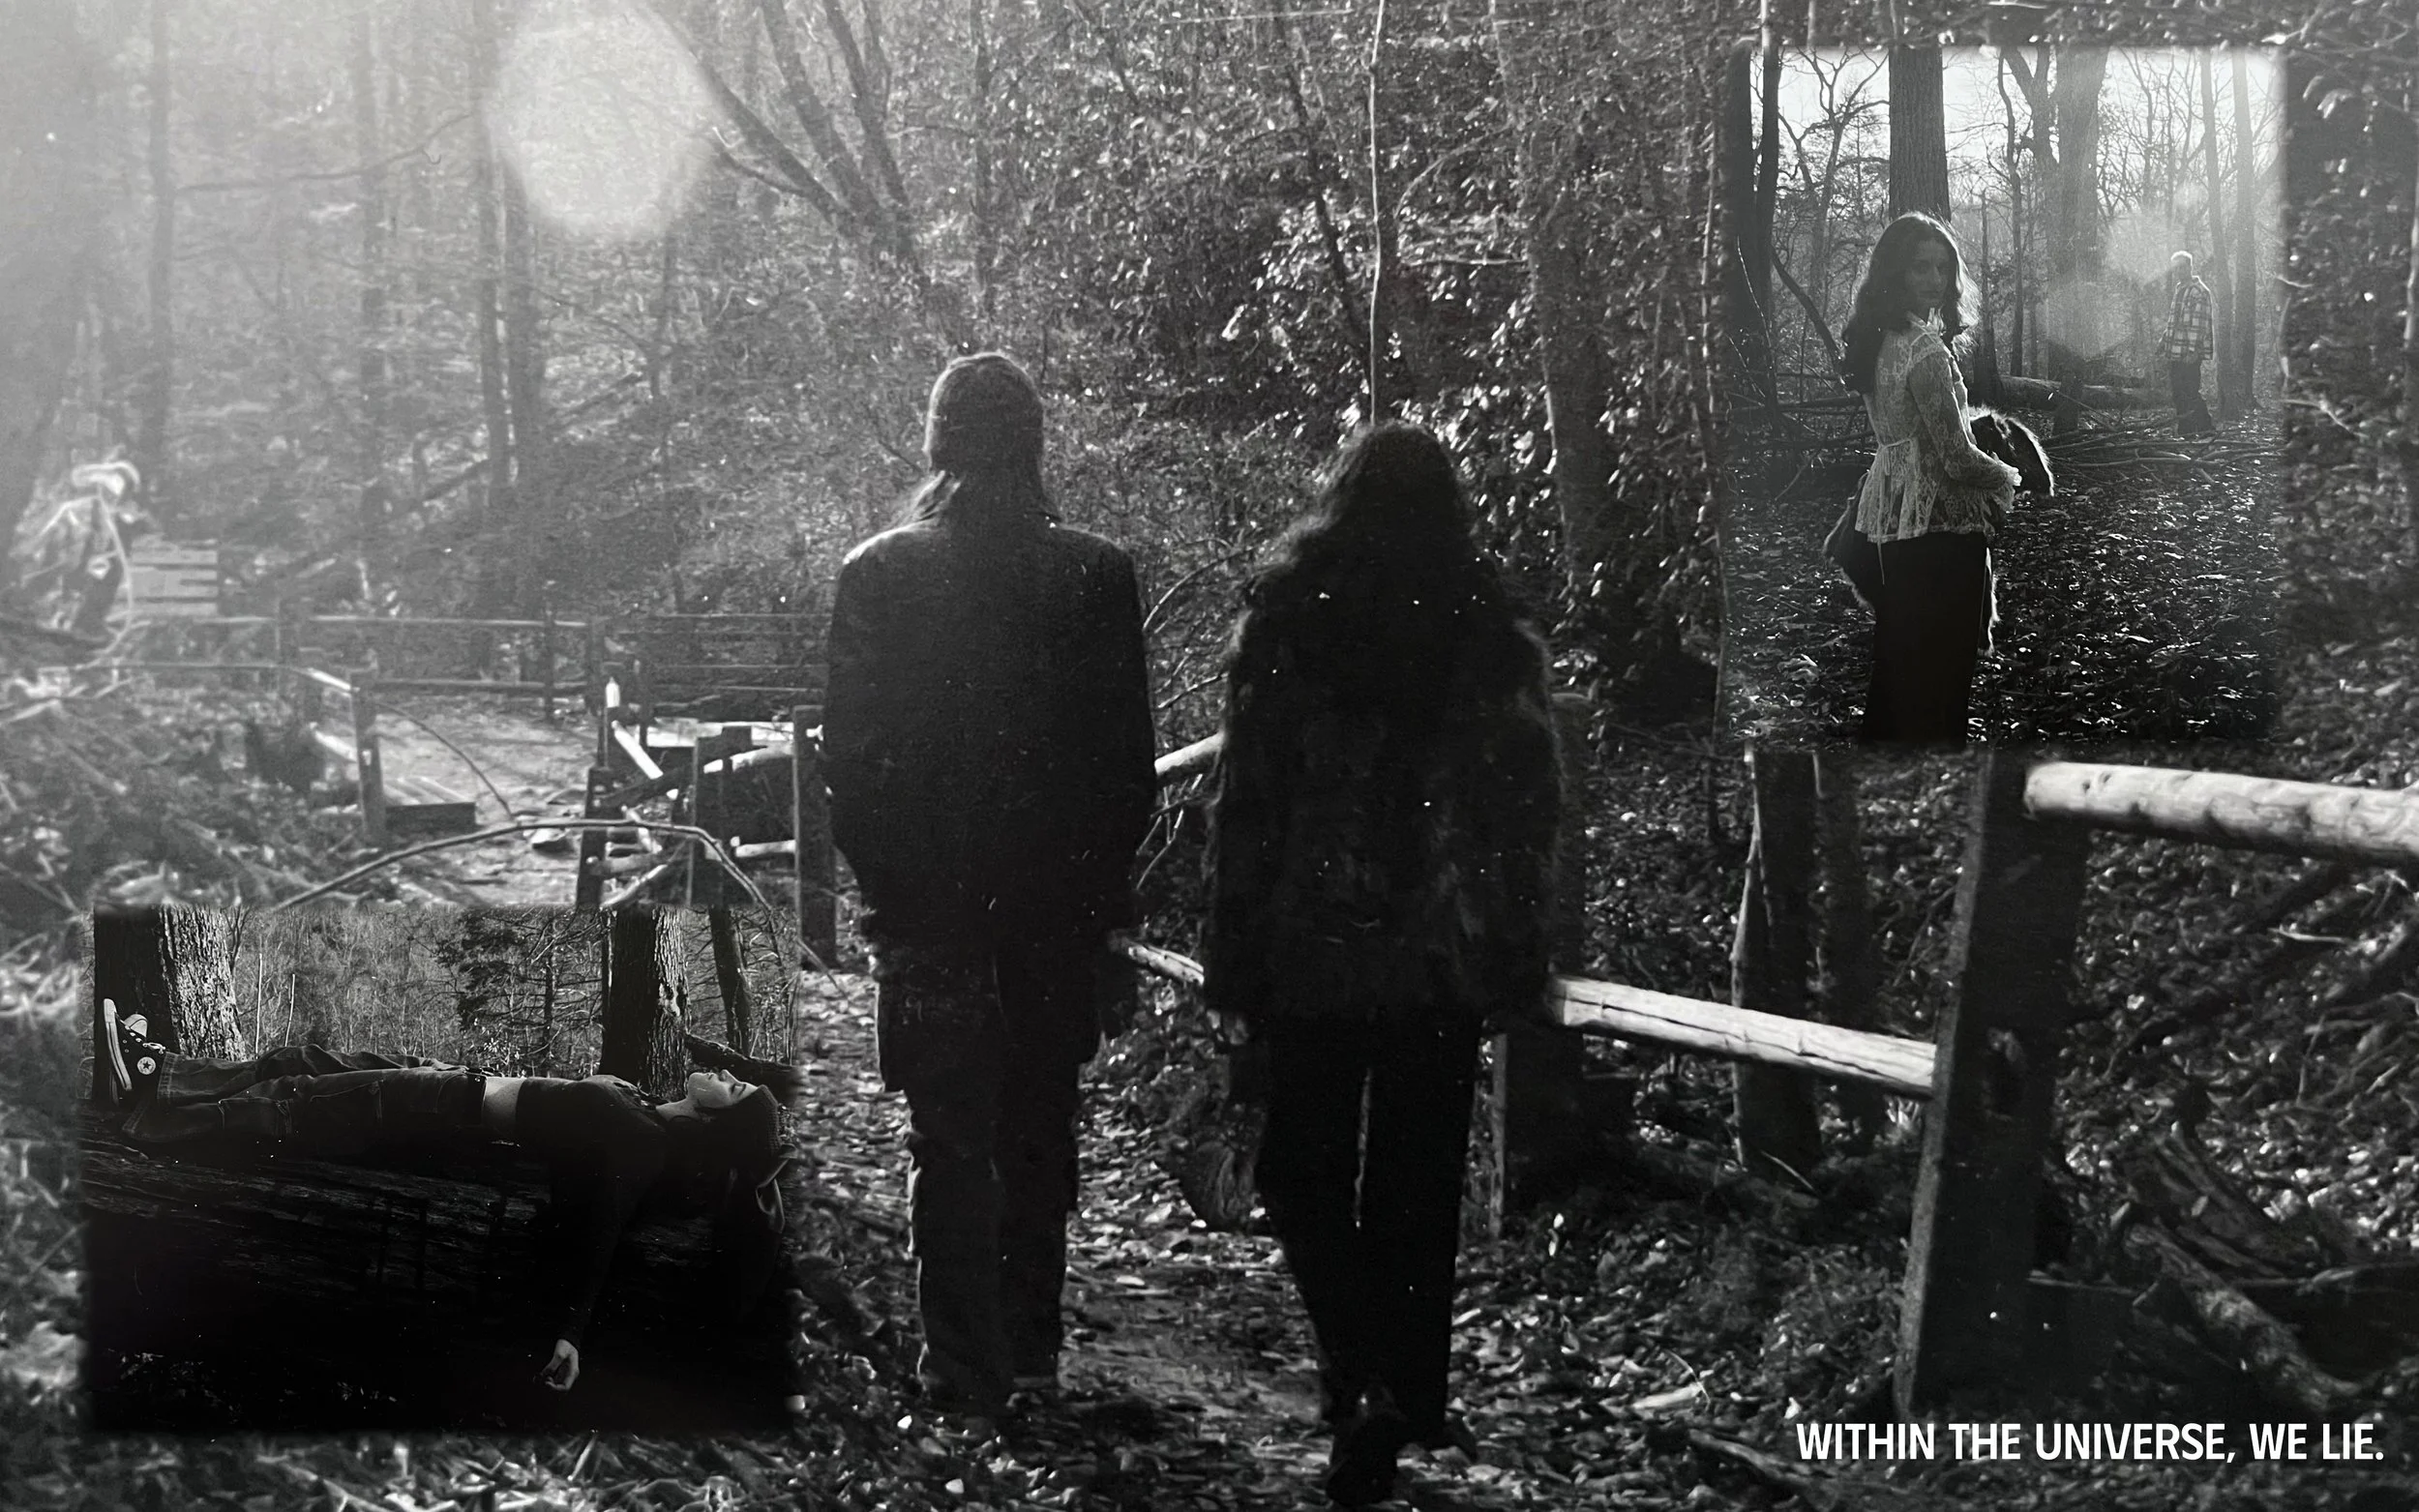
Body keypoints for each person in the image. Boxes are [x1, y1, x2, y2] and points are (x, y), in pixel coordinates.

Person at [1201, 422, 1561, 1506]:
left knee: (1295, 1170)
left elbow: (1246, 800)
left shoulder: (1286, 624)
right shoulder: (1489, 633)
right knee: (1417, 1177)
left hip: (1313, 940)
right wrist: (1513, 939)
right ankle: (1400, 1388)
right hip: (1439, 950)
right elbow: (1528, 802)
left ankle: (1358, 1372)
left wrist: (1230, 947)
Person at [822, 351, 1156, 1423]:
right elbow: (1124, 770)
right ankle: (1031, 1350)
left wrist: (891, 891)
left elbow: (854, 763)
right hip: (1055, 912)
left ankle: (960, 1366)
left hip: (929, 913)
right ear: (1034, 444)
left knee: (948, 1135)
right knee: (1038, 1125)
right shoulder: (1097, 576)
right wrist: (1096, 894)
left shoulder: (876, 575)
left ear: (936, 443)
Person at [98, 998, 797, 1396]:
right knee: (303, 1060)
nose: (723, 1071)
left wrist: (569, 1332)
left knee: (296, 1103)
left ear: (717, 1127)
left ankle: (157, 1123)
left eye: (733, 1088)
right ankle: (160, 1073)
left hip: (440, 1106)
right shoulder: (646, 1111)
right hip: (452, 1079)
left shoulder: (642, 1144)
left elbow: (598, 1232)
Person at [1837, 211, 2023, 745]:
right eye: (1921, 268)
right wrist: (2007, 476)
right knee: (1944, 673)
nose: (1935, 281)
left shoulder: (1876, 341)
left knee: (1899, 662)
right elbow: (1956, 458)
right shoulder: (1925, 352)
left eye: (1943, 268)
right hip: (1940, 527)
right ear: (1894, 273)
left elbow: (1910, 440)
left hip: (1895, 521)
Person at [2162, 250, 2217, 436]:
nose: (2179, 271)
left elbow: (2198, 325)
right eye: (2176, 268)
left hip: (2189, 352)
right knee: (2178, 392)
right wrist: (2163, 341)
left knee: (2190, 391)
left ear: (2190, 267)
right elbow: (2174, 320)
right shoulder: (2179, 288)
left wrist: (2193, 352)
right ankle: (2186, 430)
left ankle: (2205, 428)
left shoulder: (2199, 291)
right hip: (2175, 350)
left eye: (2182, 267)